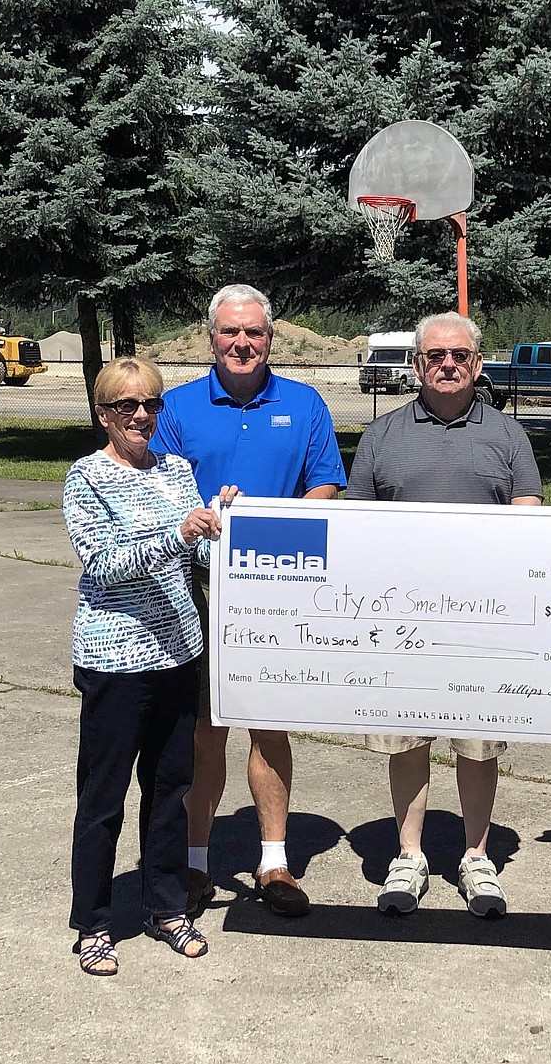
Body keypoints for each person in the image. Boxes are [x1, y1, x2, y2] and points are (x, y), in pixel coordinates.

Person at [151, 284, 345, 918]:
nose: (242, 343)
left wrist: (266, 525)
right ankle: (197, 863)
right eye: (230, 333)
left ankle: (273, 861)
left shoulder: (305, 403)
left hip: (277, 587)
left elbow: (325, 487)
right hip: (196, 590)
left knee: (270, 725)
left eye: (254, 333)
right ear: (212, 338)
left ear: (270, 338)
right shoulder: (176, 408)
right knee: (205, 732)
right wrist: (202, 519)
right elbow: (159, 495)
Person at [346, 312, 543, 917]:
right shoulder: (382, 434)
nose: (448, 364)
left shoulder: (508, 435)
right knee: (405, 737)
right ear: (416, 365)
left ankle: (477, 854)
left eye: (460, 355)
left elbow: (531, 510)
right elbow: (357, 519)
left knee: (478, 741)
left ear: (478, 365)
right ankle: (409, 855)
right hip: (401, 620)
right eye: (435, 356)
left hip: (482, 619)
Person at [63, 356, 236, 975]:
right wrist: (181, 537)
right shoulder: (85, 478)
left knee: (170, 792)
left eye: (151, 404)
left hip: (178, 654)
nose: (140, 416)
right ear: (102, 413)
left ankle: (165, 907)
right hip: (116, 660)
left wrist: (226, 521)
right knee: (103, 796)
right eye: (125, 406)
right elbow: (103, 563)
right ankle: (93, 922)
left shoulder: (178, 470)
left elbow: (201, 555)